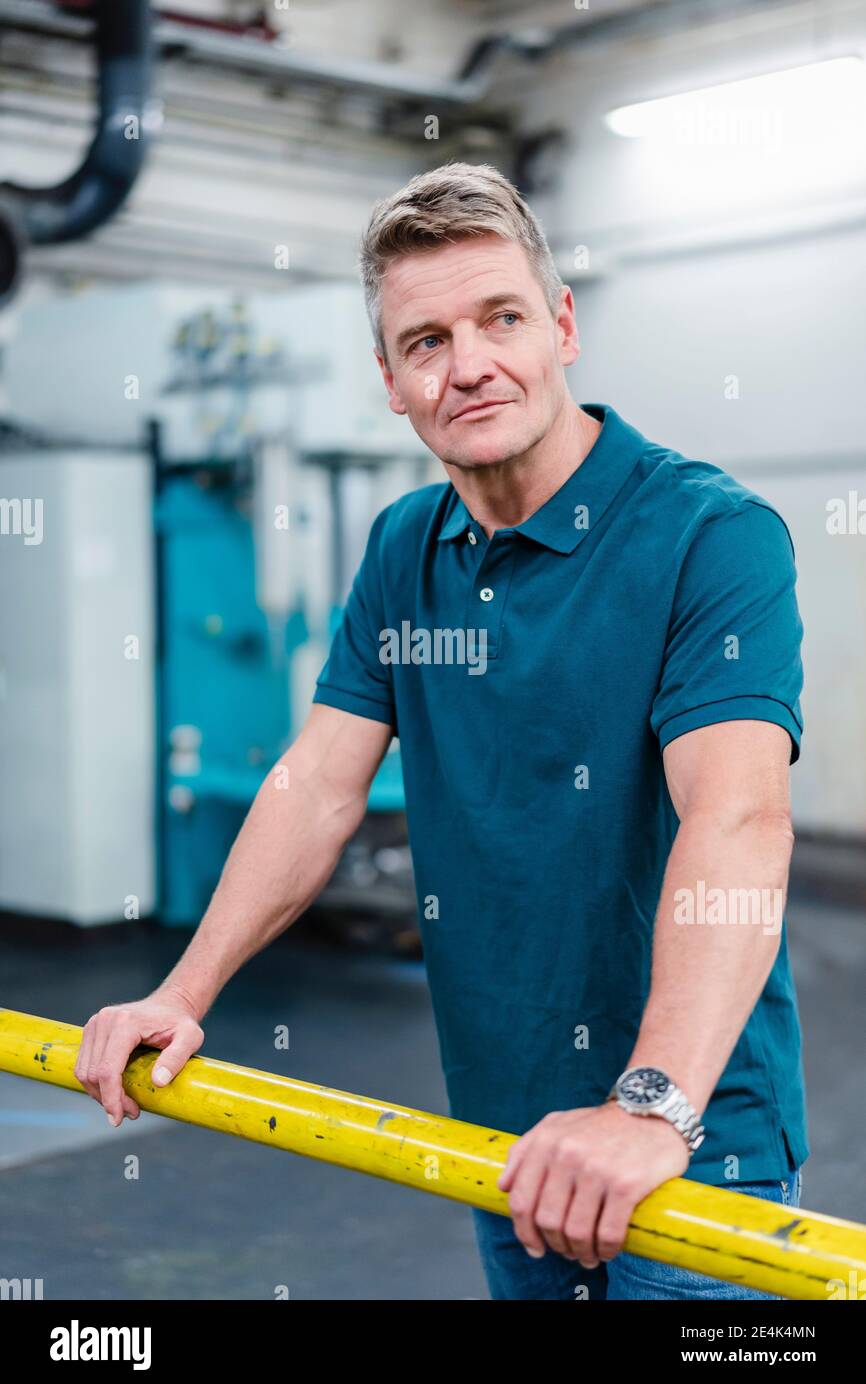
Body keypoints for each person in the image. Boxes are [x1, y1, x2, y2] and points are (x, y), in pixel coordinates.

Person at [75, 162, 808, 1301]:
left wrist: (646, 1104)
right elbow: (317, 782)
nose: (467, 364)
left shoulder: (707, 536)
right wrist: (182, 990)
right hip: (505, 1138)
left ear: (560, 326)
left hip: (686, 1136)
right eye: (425, 341)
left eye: (500, 318)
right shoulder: (401, 549)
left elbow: (738, 812)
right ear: (390, 380)